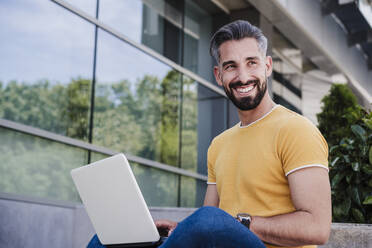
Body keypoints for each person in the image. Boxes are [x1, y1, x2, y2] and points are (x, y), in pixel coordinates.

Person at [88, 20, 331, 248]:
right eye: (231, 66)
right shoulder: (219, 144)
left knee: (208, 220)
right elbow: (208, 227)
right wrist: (181, 229)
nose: (243, 76)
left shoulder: (296, 130)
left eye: (251, 62)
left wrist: (242, 224)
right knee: (110, 238)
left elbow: (317, 227)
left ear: (267, 66)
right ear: (218, 75)